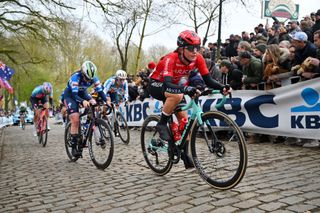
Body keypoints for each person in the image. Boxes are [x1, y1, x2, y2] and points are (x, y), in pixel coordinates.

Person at [148, 30, 230, 169]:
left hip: (175, 88)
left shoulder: (198, 58)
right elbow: (167, 84)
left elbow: (208, 79)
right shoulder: (170, 58)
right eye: (191, 48)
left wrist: (222, 87)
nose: (195, 51)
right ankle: (161, 123)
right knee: (177, 95)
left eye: (197, 48)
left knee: (185, 122)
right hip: (157, 84)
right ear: (181, 48)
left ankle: (185, 154)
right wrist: (186, 89)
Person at [63, 61, 106, 157]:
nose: (88, 81)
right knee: (75, 118)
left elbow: (101, 92)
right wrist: (82, 101)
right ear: (82, 73)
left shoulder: (94, 77)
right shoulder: (75, 77)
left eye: (90, 79)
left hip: (83, 92)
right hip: (70, 95)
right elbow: (75, 94)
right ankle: (74, 147)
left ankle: (86, 127)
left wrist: (107, 101)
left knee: (93, 103)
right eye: (86, 78)